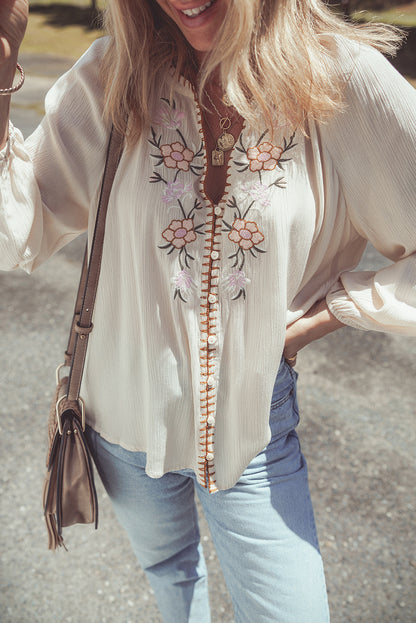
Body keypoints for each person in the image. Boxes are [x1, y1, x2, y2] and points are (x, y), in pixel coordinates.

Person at [1, 1, 415, 621]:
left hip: (252, 429)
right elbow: (16, 232)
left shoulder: (340, 80)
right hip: (117, 414)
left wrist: (326, 315)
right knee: (171, 579)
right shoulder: (116, 73)